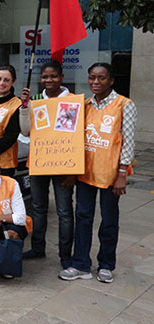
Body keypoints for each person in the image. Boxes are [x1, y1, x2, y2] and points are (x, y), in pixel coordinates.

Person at [59, 63, 136, 284]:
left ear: (111, 80)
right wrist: (71, 169)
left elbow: (128, 143)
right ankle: (81, 264)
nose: (96, 82)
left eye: (101, 78)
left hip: (110, 175)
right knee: (83, 218)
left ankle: (106, 265)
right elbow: (72, 138)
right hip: (85, 174)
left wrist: (122, 173)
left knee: (109, 221)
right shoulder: (84, 105)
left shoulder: (124, 105)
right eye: (92, 77)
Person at [19, 60, 74, 268]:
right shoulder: (35, 101)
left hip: (64, 164)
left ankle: (66, 255)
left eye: (53, 76)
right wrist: (25, 107)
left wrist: (73, 172)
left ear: (61, 77)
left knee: (64, 211)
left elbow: (77, 138)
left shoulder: (72, 101)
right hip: (39, 162)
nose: (48, 80)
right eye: (44, 77)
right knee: (39, 208)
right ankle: (37, 248)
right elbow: (25, 131)